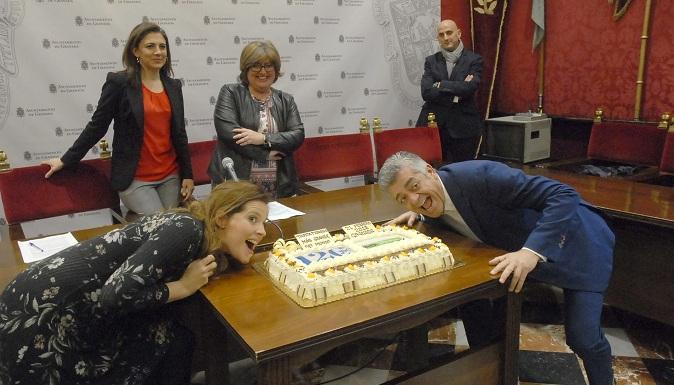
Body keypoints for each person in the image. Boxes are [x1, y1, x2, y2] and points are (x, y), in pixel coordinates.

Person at [379, 151, 615, 385]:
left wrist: (531, 252)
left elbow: (563, 195)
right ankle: (493, 374)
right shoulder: (430, 203)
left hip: (578, 240)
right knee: (476, 306)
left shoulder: (481, 176)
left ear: (430, 171)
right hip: (518, 254)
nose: (413, 199)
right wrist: (419, 213)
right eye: (402, 198)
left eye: (414, 185)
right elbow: (438, 204)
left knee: (583, 338)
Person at [0, 181, 269, 385]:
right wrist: (183, 287)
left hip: (74, 306)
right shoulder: (187, 229)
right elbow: (113, 295)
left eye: (264, 222)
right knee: (173, 341)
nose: (262, 230)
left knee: (177, 339)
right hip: (44, 315)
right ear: (221, 218)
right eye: (252, 219)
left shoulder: (201, 234)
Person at [42, 22, 194, 215]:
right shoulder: (119, 83)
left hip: (170, 176)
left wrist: (188, 175)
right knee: (162, 225)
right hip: (135, 179)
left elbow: (180, 133)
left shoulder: (173, 86)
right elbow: (97, 126)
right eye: (150, 46)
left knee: (177, 224)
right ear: (135, 51)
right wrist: (66, 160)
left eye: (162, 47)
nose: (158, 52)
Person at [208, 40, 305, 198]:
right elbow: (230, 135)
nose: (263, 71)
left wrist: (263, 138)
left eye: (268, 66)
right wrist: (264, 155)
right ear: (246, 68)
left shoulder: (286, 100)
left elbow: (297, 135)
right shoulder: (230, 93)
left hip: (280, 183)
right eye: (256, 65)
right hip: (236, 181)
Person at [416, 19, 484, 163]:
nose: (446, 38)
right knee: (432, 176)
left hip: (463, 128)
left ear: (459, 33)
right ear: (438, 39)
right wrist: (456, 91)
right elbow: (426, 92)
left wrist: (441, 85)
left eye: (449, 33)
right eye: (441, 35)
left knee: (463, 175)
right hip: (434, 126)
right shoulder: (431, 61)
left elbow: (470, 88)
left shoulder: (474, 60)